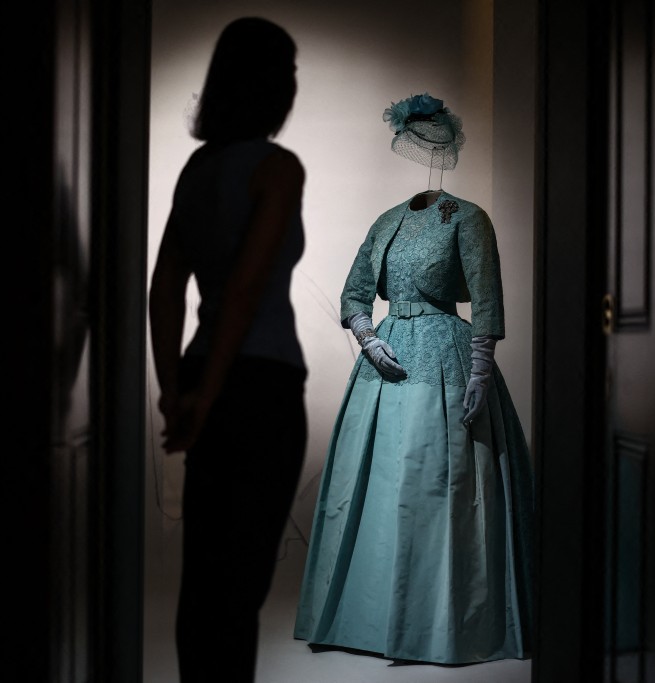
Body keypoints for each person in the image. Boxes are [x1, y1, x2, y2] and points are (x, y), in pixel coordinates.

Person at [293, 93, 534, 665]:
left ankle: (438, 620)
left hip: (445, 360)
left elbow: (489, 300)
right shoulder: (386, 222)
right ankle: (371, 613)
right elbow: (355, 292)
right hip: (386, 363)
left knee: (435, 484)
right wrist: (368, 338)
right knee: (375, 487)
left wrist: (479, 368)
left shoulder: (469, 218)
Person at [148, 17, 307, 682]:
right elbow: (244, 292)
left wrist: (177, 394)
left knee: (205, 578)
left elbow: (165, 290)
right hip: (261, 389)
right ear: (271, 86)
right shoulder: (277, 167)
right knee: (239, 589)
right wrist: (206, 399)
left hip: (204, 376)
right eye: (289, 73)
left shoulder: (199, 167)